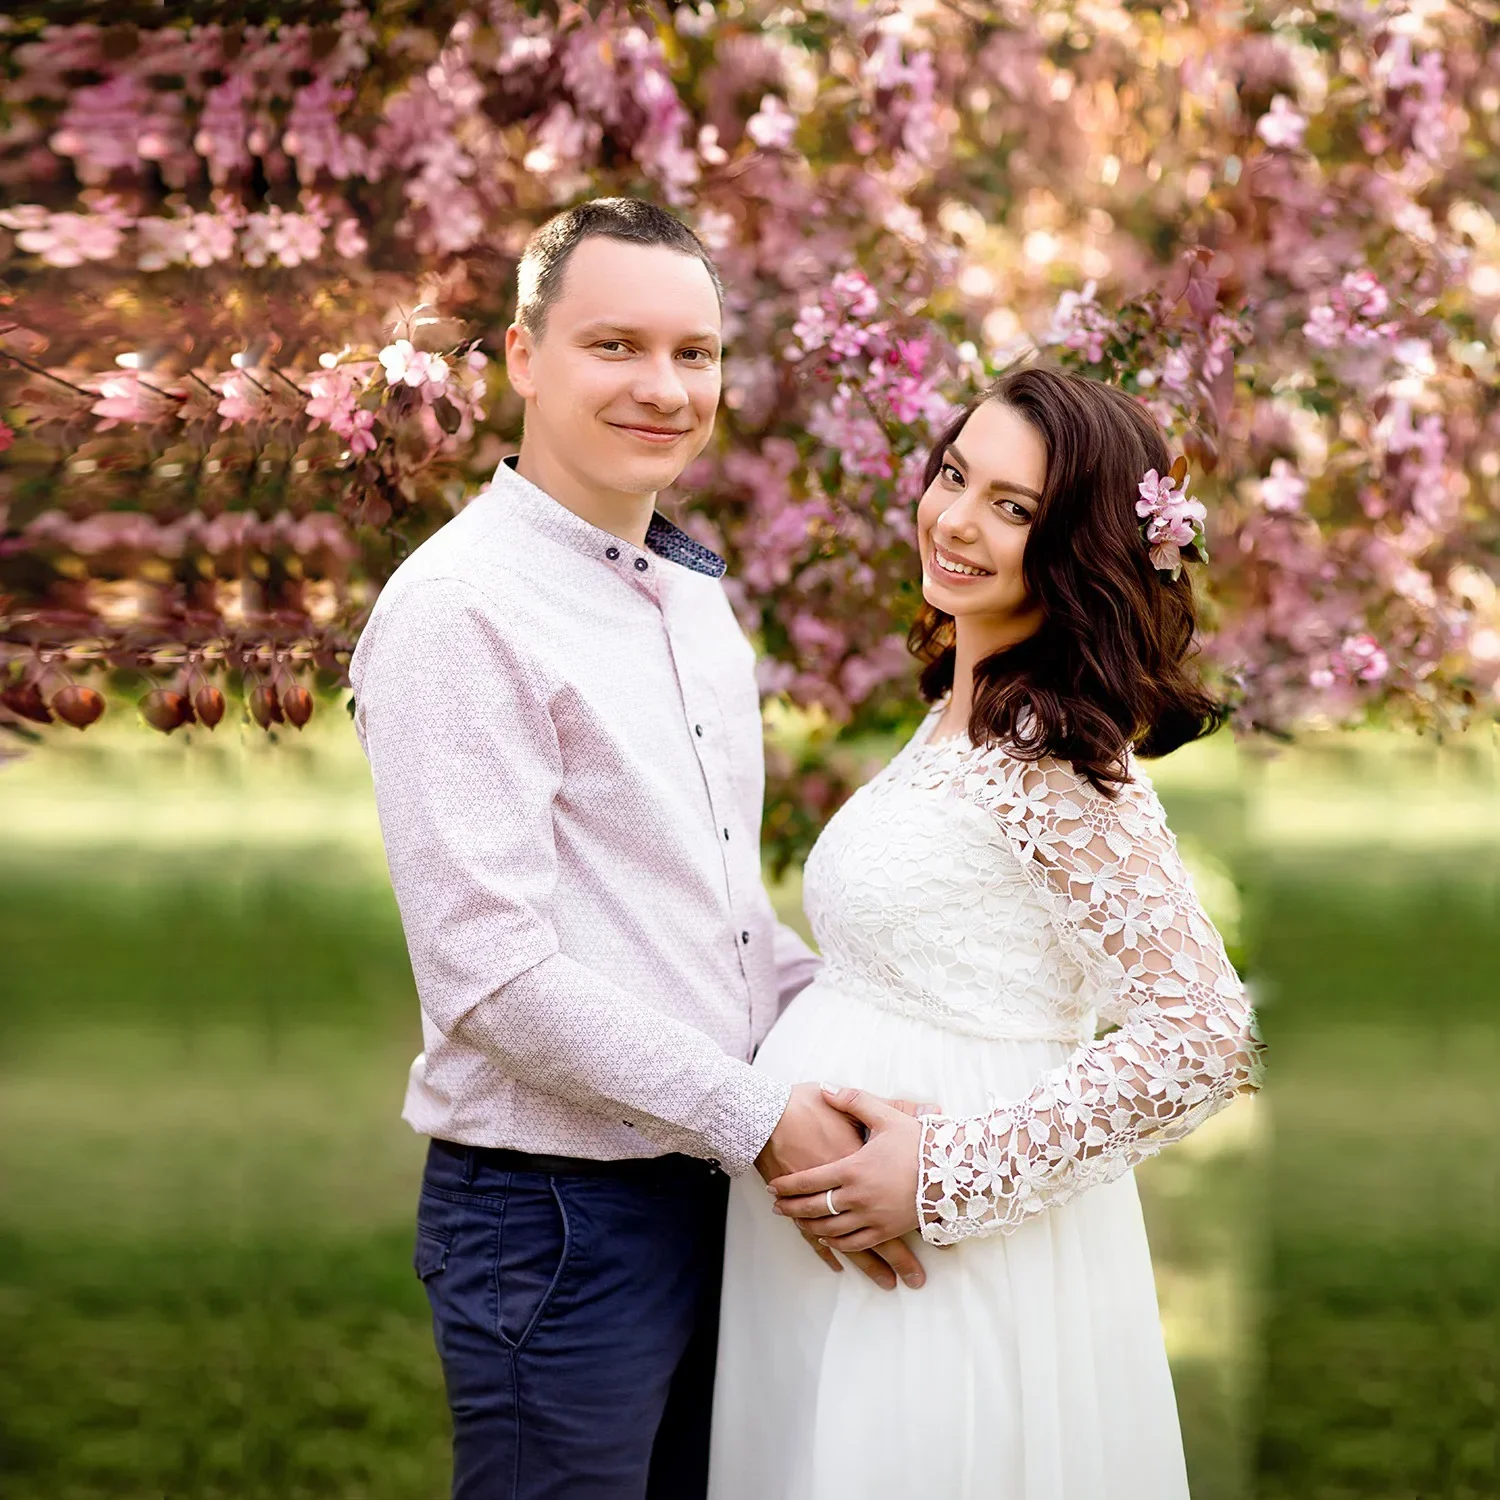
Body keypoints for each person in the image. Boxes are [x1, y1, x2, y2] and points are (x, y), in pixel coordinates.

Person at [349, 197, 924, 1500]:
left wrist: (885, 1055)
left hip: (716, 1187)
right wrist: (762, 1115)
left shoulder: (693, 601)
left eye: (696, 352)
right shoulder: (460, 611)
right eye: (616, 345)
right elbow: (489, 978)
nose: (664, 388)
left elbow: (720, 918)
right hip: (556, 1219)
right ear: (520, 357)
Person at [709, 366, 1264, 1499]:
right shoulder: (961, 716)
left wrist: (945, 1177)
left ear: (1075, 550)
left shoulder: (1055, 763)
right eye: (955, 475)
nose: (956, 520)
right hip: (831, 1249)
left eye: (1013, 508)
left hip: (941, 1266)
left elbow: (1205, 1033)